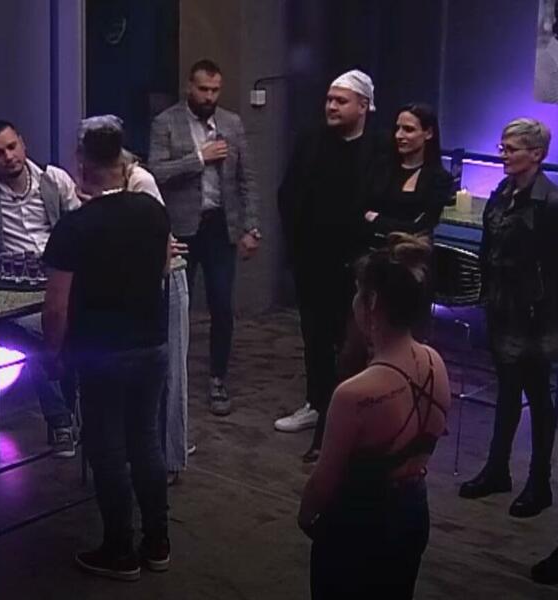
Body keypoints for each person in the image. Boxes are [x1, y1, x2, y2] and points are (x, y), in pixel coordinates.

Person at [42, 122, 172, 581]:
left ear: (82, 165)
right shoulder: (153, 212)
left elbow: (56, 307)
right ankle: (157, 542)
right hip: (152, 343)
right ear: (123, 162)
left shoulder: (74, 227)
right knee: (146, 441)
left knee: (107, 449)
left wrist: (52, 355)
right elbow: (163, 269)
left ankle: (119, 550)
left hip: (101, 351)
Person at [298, 233, 451, 599]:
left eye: (357, 292)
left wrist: (305, 515)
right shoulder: (436, 363)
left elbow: (324, 480)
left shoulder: (355, 394)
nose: (352, 301)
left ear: (373, 303)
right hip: (413, 512)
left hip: (361, 521)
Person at [276, 69, 383, 462]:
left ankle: (351, 414)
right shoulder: (311, 141)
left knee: (353, 342)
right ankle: (316, 404)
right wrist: (297, 243)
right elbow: (288, 193)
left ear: (363, 106)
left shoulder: (379, 149)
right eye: (329, 100)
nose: (331, 107)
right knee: (315, 337)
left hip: (356, 265)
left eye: (341, 101)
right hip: (312, 260)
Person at [0, 120, 80, 456]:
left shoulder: (54, 179)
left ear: (23, 143)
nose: (8, 156)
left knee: (72, 329)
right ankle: (62, 421)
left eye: (12, 147)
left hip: (58, 278)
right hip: (8, 288)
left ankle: (76, 412)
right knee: (41, 337)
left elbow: (80, 222)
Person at [148, 58, 261, 417]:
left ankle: (217, 378)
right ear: (189, 87)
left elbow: (246, 178)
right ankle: (169, 378)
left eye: (215, 90)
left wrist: (251, 227)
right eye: (203, 89)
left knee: (222, 306)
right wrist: (198, 158)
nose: (209, 96)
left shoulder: (232, 123)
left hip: (220, 227)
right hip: (180, 229)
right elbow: (156, 172)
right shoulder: (166, 123)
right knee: (174, 306)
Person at [459, 118, 558, 520]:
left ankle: (539, 481)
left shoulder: (550, 203)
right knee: (507, 389)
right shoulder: (502, 192)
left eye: (511, 149)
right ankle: (497, 468)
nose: (503, 155)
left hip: (536, 312)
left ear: (536, 154)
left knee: (538, 394)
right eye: (502, 147)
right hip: (502, 305)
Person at [364, 103, 453, 242]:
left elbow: (420, 228)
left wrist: (376, 219)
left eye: (408, 129)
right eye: (397, 128)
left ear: (428, 133)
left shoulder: (439, 179)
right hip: (372, 247)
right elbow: (361, 212)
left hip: (411, 251)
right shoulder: (380, 167)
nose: (399, 135)